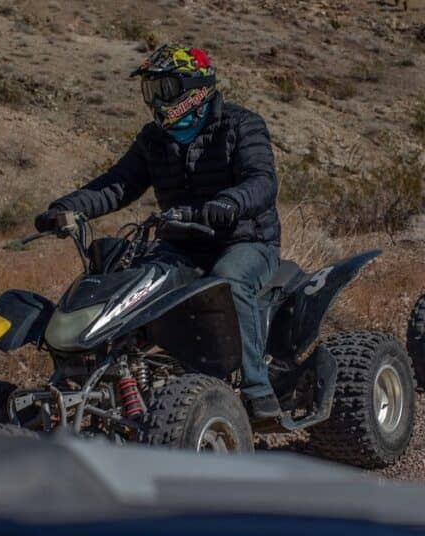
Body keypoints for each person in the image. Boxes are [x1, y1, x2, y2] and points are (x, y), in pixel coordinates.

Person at [34, 44, 282, 421]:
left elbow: (261, 180)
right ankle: (115, 383)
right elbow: (117, 184)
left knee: (229, 281)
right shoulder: (154, 138)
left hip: (245, 240)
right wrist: (66, 208)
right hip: (182, 244)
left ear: (194, 88)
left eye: (163, 89)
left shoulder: (241, 125)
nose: (155, 100)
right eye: (150, 91)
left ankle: (257, 391)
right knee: (128, 282)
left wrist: (230, 203)